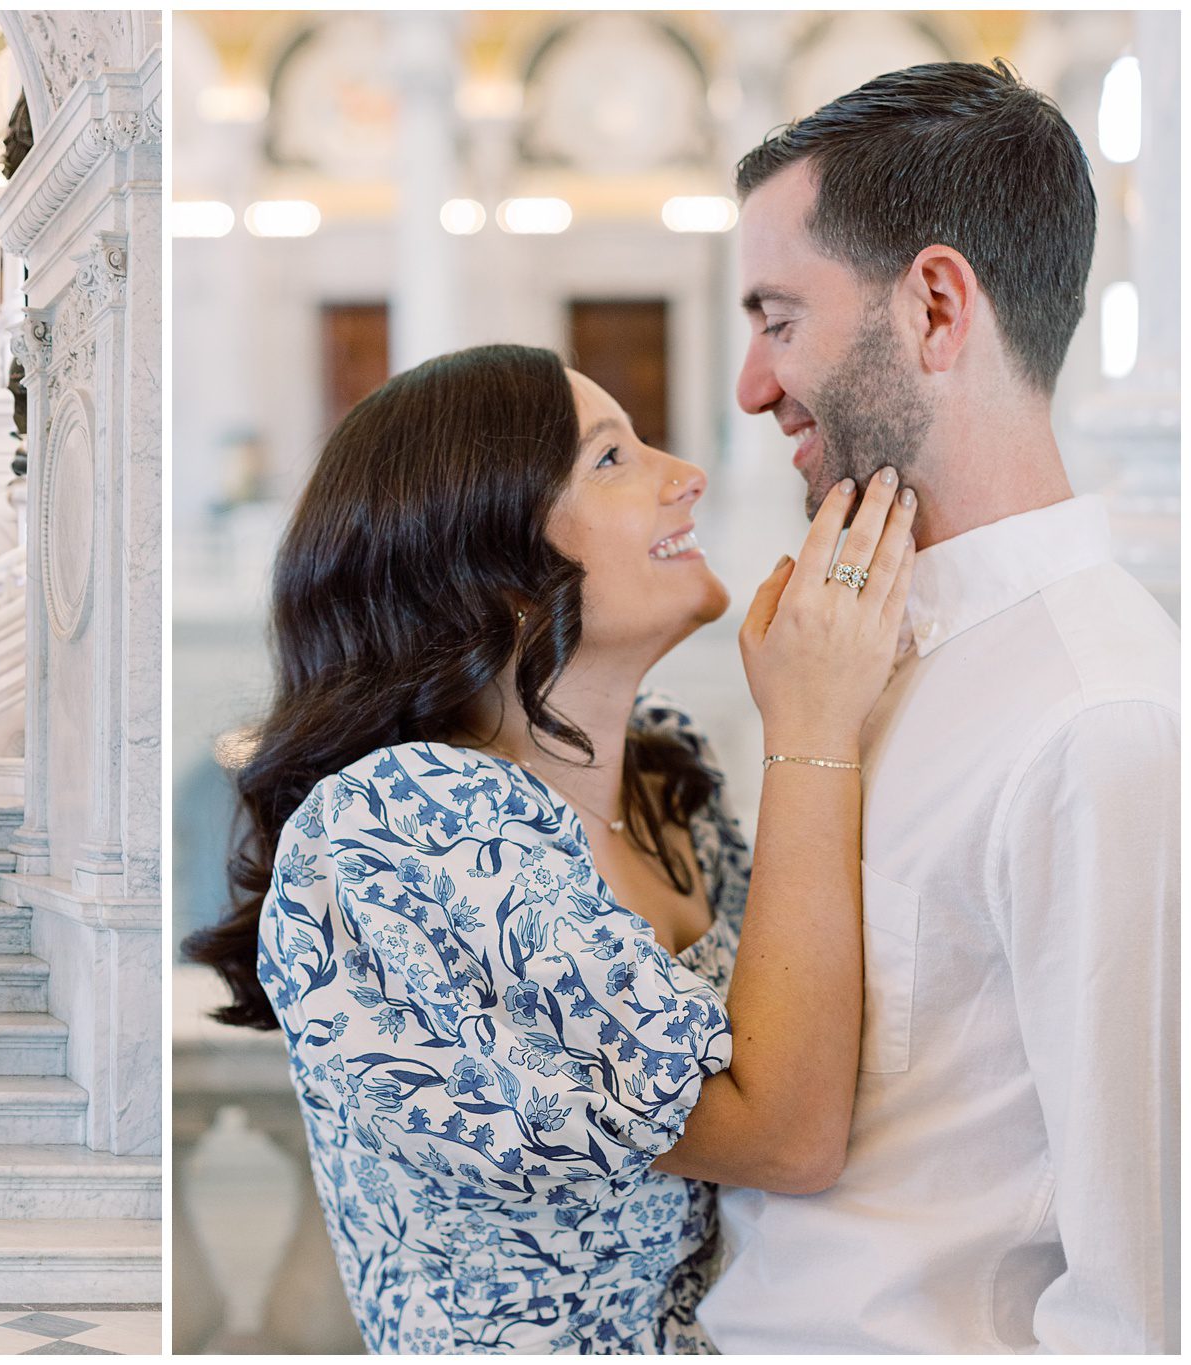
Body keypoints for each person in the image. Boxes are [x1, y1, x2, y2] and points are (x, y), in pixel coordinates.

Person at [185, 342, 917, 1351]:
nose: (684, 475)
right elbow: (785, 1139)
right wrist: (811, 728)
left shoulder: (664, 772)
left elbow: (804, 1023)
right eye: (611, 460)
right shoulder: (401, 823)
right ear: (486, 564)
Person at [698, 60, 1179, 1353]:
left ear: (934, 307)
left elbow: (1147, 1307)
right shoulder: (844, 649)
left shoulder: (1104, 714)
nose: (749, 386)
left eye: (779, 319)